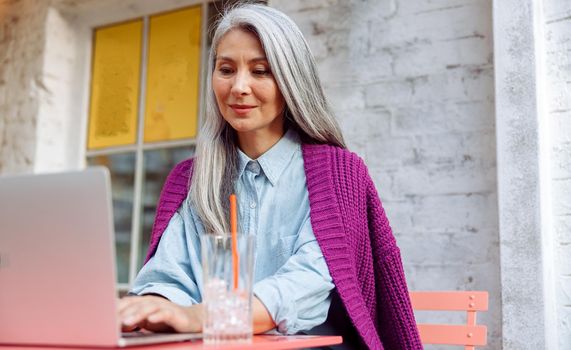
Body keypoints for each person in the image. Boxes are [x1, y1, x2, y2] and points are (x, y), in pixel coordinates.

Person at [117, 3, 422, 349]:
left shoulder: (339, 174)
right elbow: (169, 277)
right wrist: (152, 307)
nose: (239, 87)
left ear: (291, 80)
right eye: (226, 69)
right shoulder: (191, 178)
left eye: (260, 71)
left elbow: (306, 283)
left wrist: (200, 316)